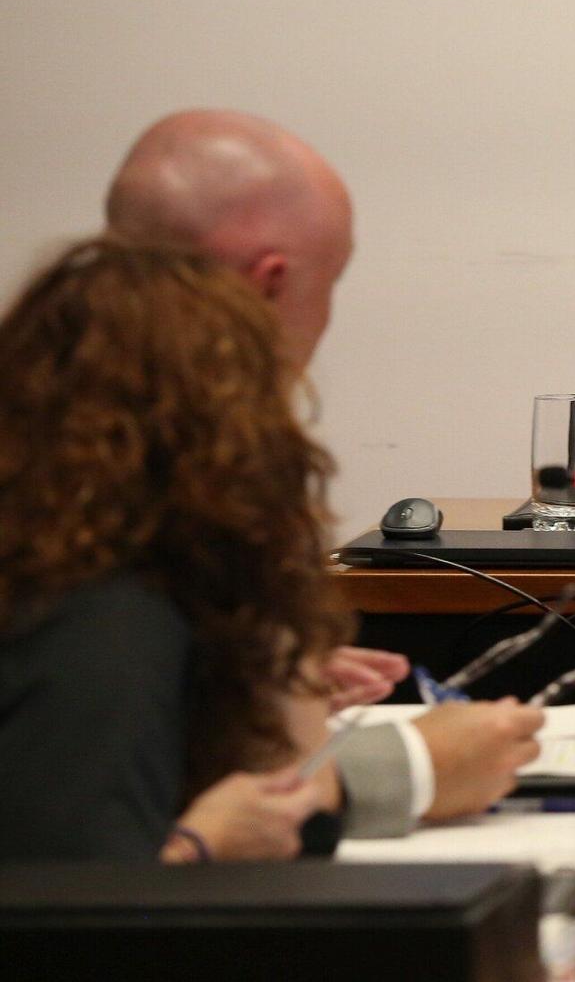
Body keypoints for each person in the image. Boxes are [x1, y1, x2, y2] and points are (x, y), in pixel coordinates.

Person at [104, 109, 543, 839]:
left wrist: (229, 670)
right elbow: (86, 867)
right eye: (330, 283)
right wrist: (413, 764)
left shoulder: (73, 444)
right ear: (269, 286)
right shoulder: (173, 475)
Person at [0, 238, 351, 861]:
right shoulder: (104, 623)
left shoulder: (69, 575)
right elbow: (65, 918)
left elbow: (289, 794)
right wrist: (204, 845)